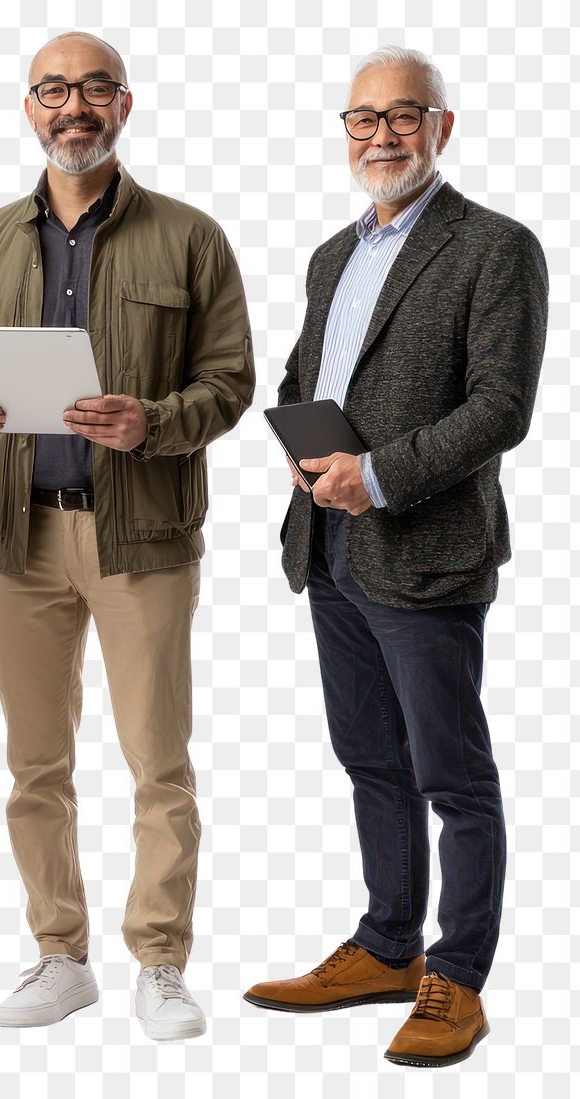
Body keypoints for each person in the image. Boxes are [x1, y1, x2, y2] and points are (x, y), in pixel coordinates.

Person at [0, 32, 253, 1040]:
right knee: (35, 765)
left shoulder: (189, 236)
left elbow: (228, 380)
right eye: (55, 89)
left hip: (141, 538)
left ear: (125, 105)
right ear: (29, 108)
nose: (75, 105)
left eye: (94, 89)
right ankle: (61, 954)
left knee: (159, 764)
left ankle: (160, 959)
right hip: (16, 543)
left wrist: (157, 420)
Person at [243, 47, 548, 1067]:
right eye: (363, 118)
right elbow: (304, 367)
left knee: (449, 775)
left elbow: (499, 407)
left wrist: (374, 474)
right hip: (326, 543)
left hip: (424, 552)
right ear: (344, 131)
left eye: (404, 115)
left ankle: (454, 976)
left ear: (442, 128)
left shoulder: (494, 246)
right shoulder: (333, 253)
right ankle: (384, 944)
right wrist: (303, 451)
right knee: (367, 757)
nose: (382, 134)